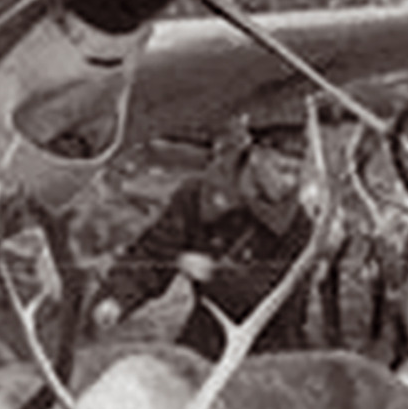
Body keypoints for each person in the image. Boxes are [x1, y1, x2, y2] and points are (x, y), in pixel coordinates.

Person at [92, 118, 316, 360]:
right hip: (207, 339)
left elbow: (276, 303)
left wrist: (213, 274)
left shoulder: (299, 225)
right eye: (282, 169)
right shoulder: (198, 196)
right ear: (256, 157)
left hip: (271, 354)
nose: (290, 182)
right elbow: (153, 254)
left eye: (296, 172)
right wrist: (116, 299)